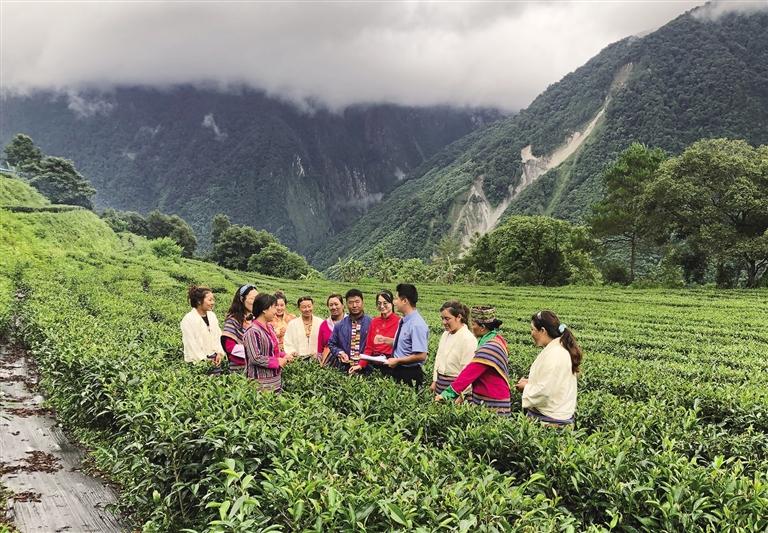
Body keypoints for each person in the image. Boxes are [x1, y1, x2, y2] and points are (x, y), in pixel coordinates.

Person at [436, 305, 511, 416]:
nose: (471, 327)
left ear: (482, 327)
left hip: (493, 400)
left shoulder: (489, 347)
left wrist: (446, 395)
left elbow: (469, 373)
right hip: (486, 396)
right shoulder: (496, 339)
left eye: (474, 324)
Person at [515, 310, 581, 426]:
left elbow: (545, 392)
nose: (531, 333)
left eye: (532, 329)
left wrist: (525, 388)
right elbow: (553, 383)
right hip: (558, 416)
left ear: (543, 330)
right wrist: (531, 383)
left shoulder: (555, 354)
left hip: (551, 421)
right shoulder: (558, 349)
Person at [243, 293, 293, 392]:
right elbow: (255, 357)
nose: (276, 311)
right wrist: (277, 362)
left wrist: (284, 355)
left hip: (275, 380)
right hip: (260, 383)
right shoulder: (252, 331)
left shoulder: (269, 327)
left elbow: (272, 350)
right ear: (265, 309)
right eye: (274, 307)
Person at [383, 283, 429, 387]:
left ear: (404, 301)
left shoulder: (416, 324)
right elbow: (405, 344)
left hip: (409, 373)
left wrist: (397, 360)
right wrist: (386, 340)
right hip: (398, 369)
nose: (394, 302)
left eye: (396, 298)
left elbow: (422, 355)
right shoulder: (404, 320)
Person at [349, 289, 400, 375]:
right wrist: (360, 365)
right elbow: (369, 347)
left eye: (385, 303)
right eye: (379, 303)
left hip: (390, 363)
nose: (382, 306)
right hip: (374, 361)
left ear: (392, 303)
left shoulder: (399, 322)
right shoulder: (374, 322)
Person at [431, 301, 476, 394]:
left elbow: (467, 372)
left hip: (456, 389)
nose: (444, 322)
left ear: (458, 317)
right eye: (442, 318)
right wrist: (435, 381)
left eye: (447, 319)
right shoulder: (445, 334)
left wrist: (461, 396)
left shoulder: (468, 339)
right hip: (440, 385)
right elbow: (438, 358)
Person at [326, 288, 372, 372]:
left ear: (362, 302)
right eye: (350, 302)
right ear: (346, 304)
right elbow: (331, 343)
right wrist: (340, 353)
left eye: (357, 302)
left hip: (366, 369)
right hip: (344, 368)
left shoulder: (371, 323)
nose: (354, 305)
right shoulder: (339, 325)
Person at [180, 285, 225, 365]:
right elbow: (191, 344)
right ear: (199, 301)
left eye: (213, 300)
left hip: (215, 358)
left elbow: (218, 336)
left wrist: (219, 353)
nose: (213, 303)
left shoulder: (212, 316)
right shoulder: (188, 319)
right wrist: (204, 360)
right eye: (210, 300)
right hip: (197, 361)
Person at [220, 284, 257, 372]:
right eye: (252, 298)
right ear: (242, 299)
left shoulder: (255, 319)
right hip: (239, 369)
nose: (256, 302)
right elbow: (230, 347)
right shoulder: (233, 320)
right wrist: (253, 352)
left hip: (256, 368)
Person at [317, 293, 345, 364]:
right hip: (328, 363)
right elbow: (320, 349)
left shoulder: (351, 322)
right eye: (331, 305)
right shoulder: (324, 325)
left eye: (336, 304)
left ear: (342, 305)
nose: (334, 307)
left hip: (347, 361)